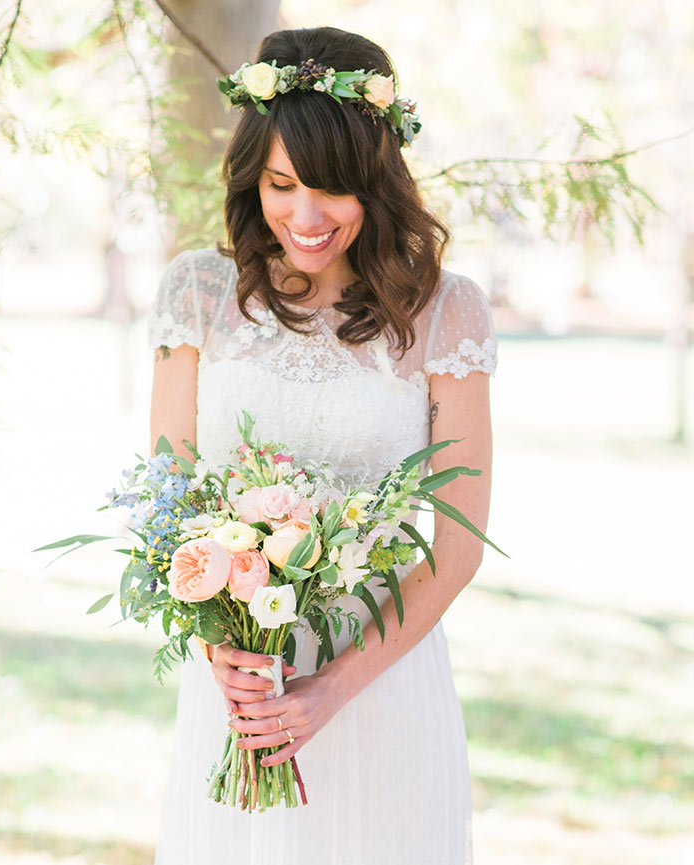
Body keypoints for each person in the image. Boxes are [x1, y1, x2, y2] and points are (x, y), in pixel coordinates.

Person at [148, 25, 496, 865]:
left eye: (333, 190)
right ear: (251, 176)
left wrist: (327, 693)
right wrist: (217, 643)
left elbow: (455, 545)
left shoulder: (444, 312)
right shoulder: (197, 291)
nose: (304, 217)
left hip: (382, 678)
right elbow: (168, 505)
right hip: (238, 686)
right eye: (280, 183)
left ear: (376, 182)